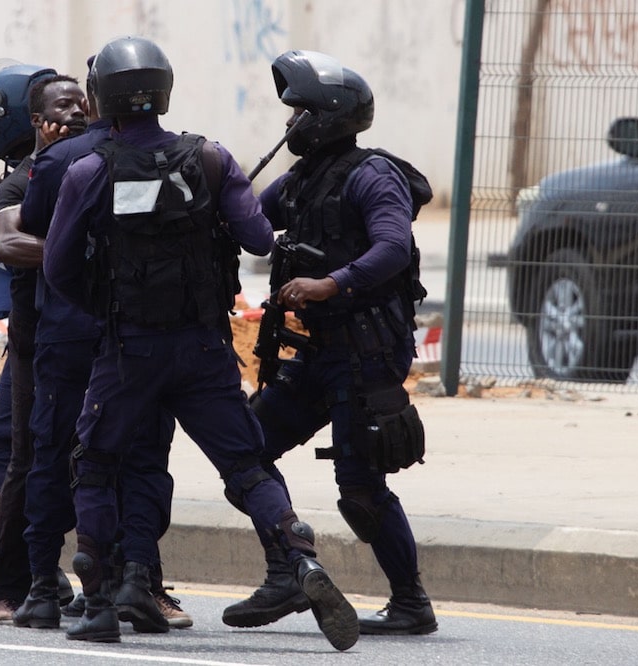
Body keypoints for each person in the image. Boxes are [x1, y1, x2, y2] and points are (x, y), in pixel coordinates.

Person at [43, 36, 359, 650]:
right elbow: (261, 239)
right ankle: (301, 560)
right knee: (245, 463)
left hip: (127, 350)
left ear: (102, 95)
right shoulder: (211, 159)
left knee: (96, 462)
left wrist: (110, 307)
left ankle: (100, 603)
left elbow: (57, 268)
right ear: (163, 90)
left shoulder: (87, 168)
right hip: (204, 348)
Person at [224, 49, 438, 636]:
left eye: (297, 112)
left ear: (325, 115)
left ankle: (411, 603)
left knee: (361, 486)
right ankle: (290, 570)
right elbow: (251, 226)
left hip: (366, 354)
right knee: (245, 451)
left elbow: (392, 248)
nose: (288, 123)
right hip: (315, 354)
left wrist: (328, 283)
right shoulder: (300, 180)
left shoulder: (372, 176)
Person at [6, 55, 191, 632]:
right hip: (138, 336)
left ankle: (45, 588)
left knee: (54, 452)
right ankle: (133, 578)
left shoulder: (60, 160)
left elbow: (40, 235)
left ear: (95, 95)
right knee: (137, 456)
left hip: (71, 331)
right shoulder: (186, 156)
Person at [0, 60, 85, 624]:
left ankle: (24, 582)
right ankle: (39, 574)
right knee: (21, 450)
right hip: (38, 333)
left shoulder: (69, 167)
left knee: (32, 456)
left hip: (62, 334)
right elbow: (12, 246)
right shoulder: (22, 178)